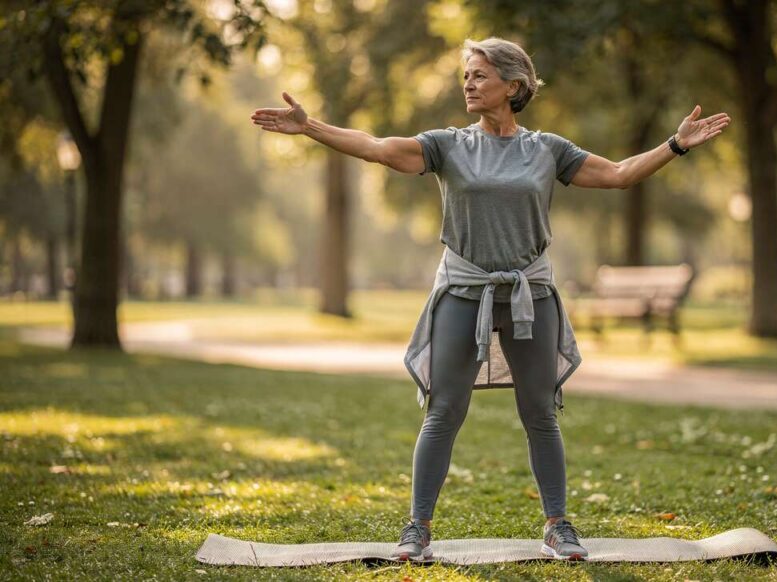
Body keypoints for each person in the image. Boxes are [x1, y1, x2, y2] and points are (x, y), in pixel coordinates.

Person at [250, 37, 730, 562]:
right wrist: (311, 126)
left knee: (540, 413)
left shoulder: (547, 150)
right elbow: (377, 147)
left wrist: (675, 145)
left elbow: (617, 175)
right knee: (444, 410)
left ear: (513, 85)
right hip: (463, 291)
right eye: (467, 75)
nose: (468, 84)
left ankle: (557, 525)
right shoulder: (447, 144)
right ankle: (418, 528)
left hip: (530, 295)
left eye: (479, 75)